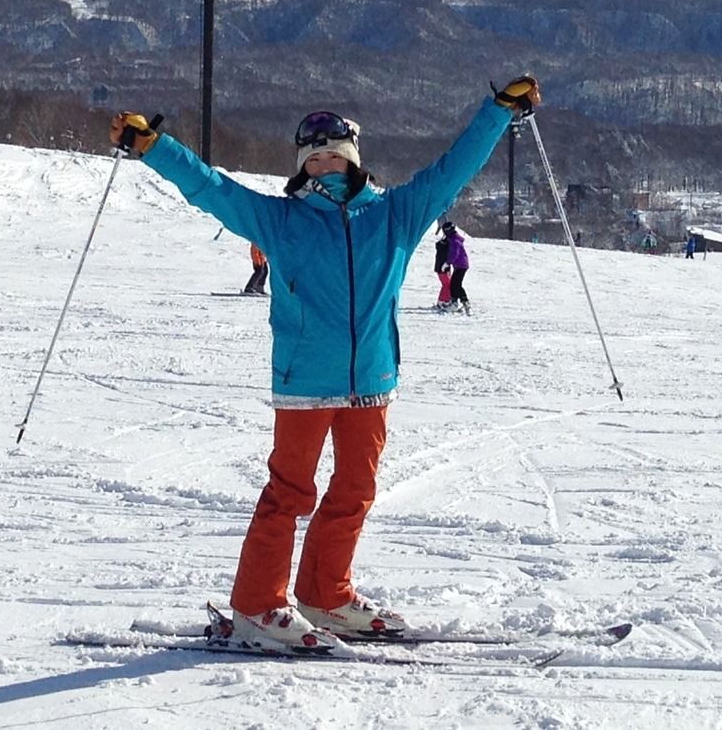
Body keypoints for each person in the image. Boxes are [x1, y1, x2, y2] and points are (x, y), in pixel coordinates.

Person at [110, 75, 539, 652]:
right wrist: (154, 147)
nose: (325, 165)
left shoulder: (396, 214)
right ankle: (258, 606)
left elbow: (452, 168)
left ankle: (325, 596)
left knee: (355, 489)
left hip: (373, 380)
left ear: (354, 159)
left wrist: (498, 113)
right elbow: (211, 188)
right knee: (288, 494)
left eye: (335, 155)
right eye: (315, 159)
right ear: (301, 167)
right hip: (305, 381)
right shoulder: (279, 221)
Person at [440, 219, 472, 314]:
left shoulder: (454, 240)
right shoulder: (453, 238)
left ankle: (455, 303)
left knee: (455, 284)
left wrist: (447, 263)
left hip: (461, 265)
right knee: (456, 284)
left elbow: (455, 253)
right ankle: (462, 301)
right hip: (461, 265)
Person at [432, 223, 455, 310]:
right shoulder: (445, 245)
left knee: (447, 284)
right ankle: (442, 302)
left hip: (442, 267)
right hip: (442, 268)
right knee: (447, 285)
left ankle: (444, 301)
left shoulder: (443, 244)